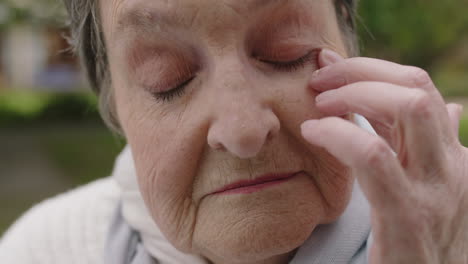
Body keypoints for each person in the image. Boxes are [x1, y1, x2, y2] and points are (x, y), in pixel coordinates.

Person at [1, 0, 467, 263]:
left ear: (348, 44)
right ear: (114, 104)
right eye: (169, 79)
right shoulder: (47, 250)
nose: (242, 130)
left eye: (288, 52)